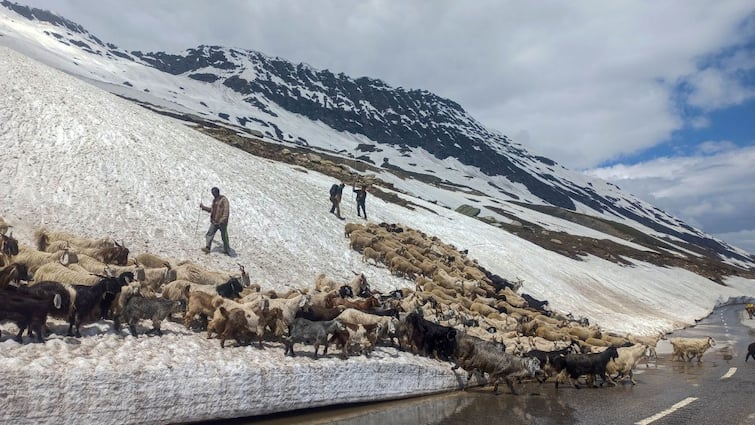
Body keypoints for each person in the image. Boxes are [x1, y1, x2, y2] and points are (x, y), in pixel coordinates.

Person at [199, 187, 230, 255]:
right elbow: (212, 210)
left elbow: (226, 212)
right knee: (209, 234)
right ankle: (207, 248)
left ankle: (227, 249)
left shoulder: (224, 200)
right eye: (212, 193)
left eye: (214, 193)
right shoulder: (215, 200)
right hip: (214, 221)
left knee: (224, 236)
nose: (213, 195)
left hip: (222, 223)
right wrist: (203, 207)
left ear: (217, 192)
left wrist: (222, 220)